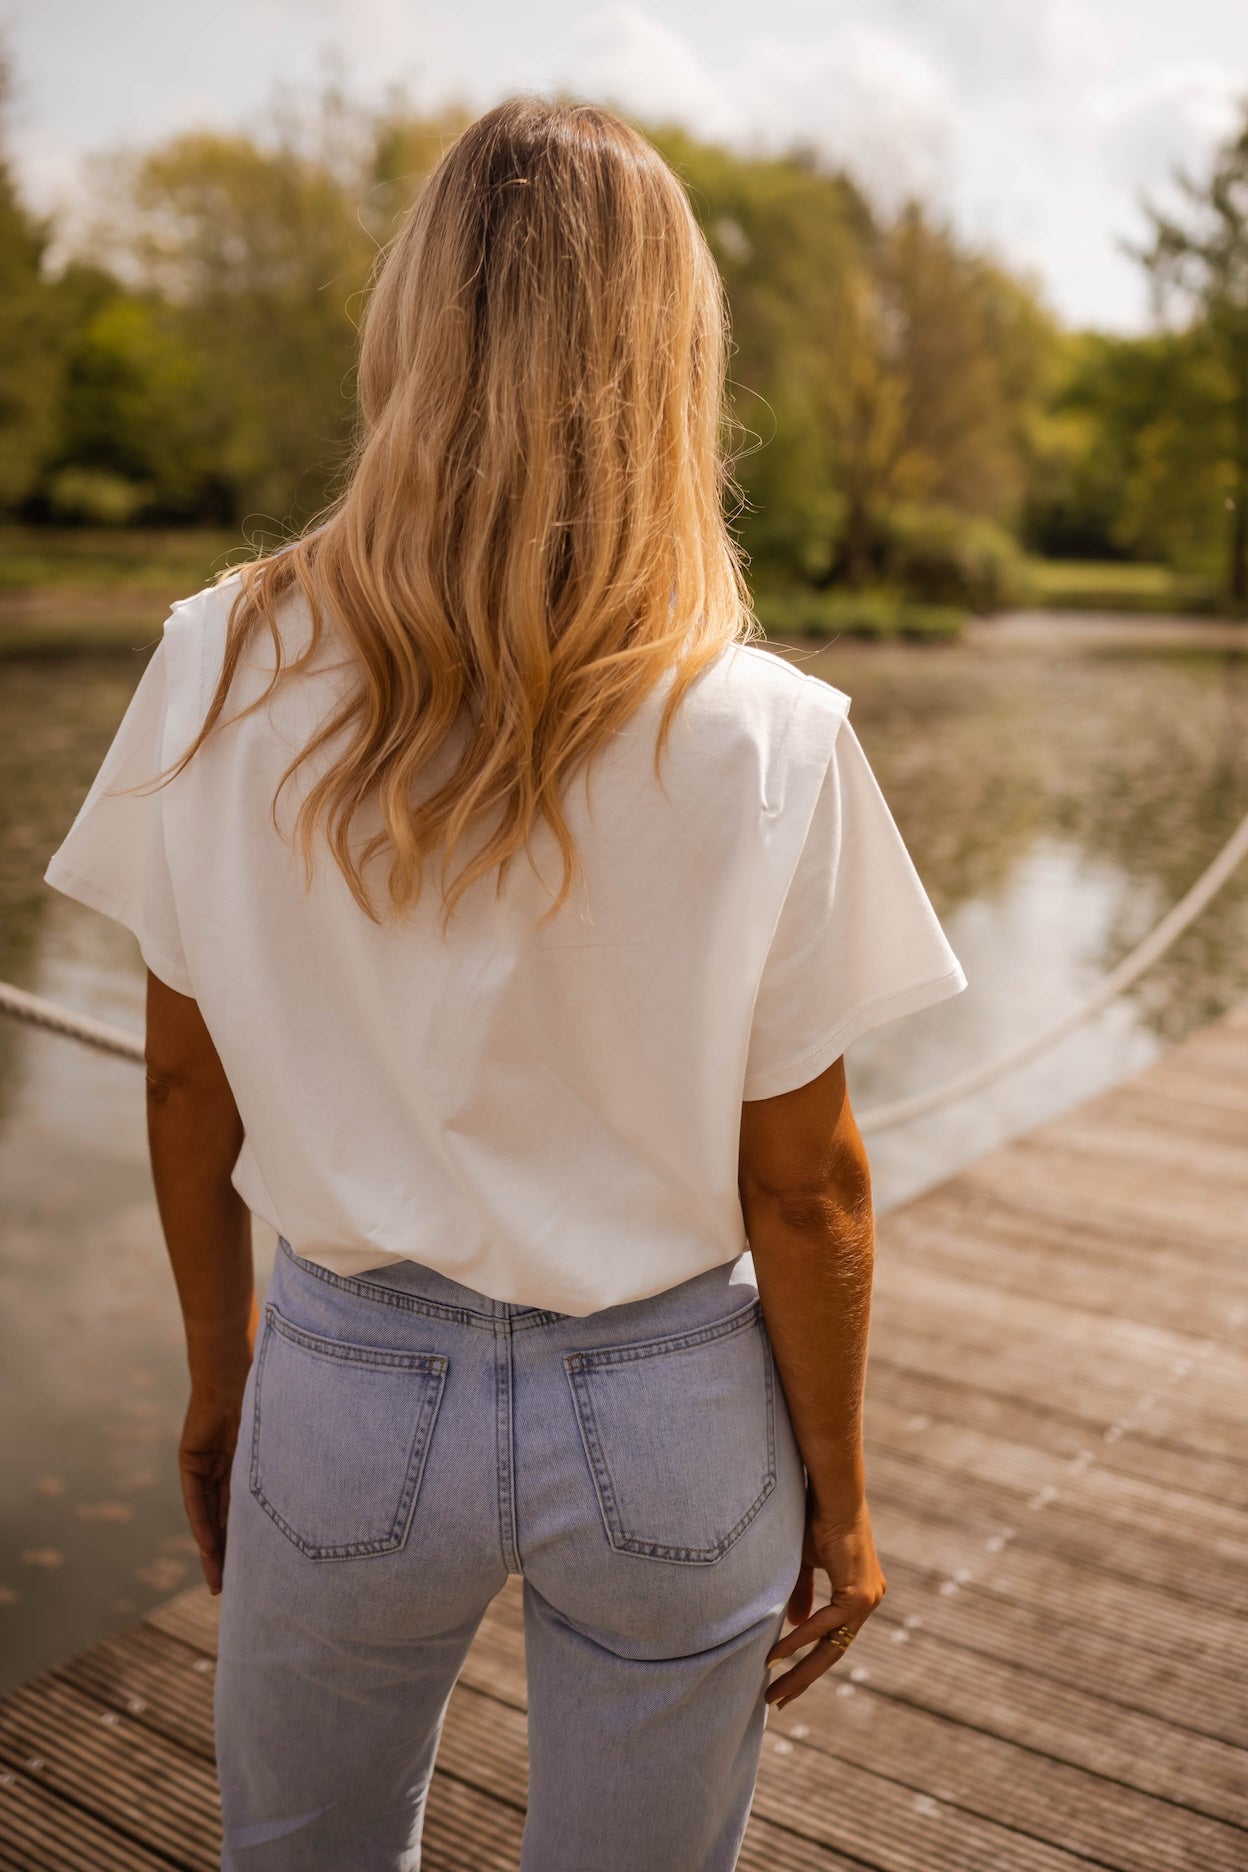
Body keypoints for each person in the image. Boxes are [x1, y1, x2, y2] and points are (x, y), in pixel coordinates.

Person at [43, 94, 966, 1872]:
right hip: (673, 1406)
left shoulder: (219, 658)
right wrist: (841, 1501)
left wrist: (221, 1371)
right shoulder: (766, 730)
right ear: (672, 360)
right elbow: (811, 1183)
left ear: (411, 326)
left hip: (349, 1376)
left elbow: (183, 1082)